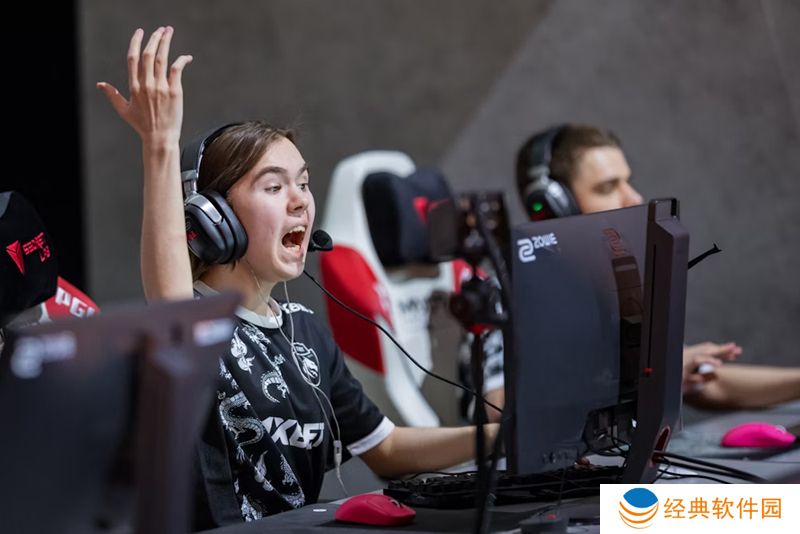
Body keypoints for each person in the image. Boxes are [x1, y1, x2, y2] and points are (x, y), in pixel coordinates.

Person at [98, 26, 498, 527]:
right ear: (213, 220)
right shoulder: (194, 322)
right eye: (273, 187)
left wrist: (500, 436)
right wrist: (159, 145)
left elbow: (387, 448)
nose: (300, 201)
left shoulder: (304, 329)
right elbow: (172, 305)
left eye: (304, 183)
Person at [513, 123, 800, 411]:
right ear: (554, 205)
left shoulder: (608, 291)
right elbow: (502, 410)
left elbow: (708, 383)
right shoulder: (513, 296)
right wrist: (652, 374)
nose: (634, 198)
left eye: (627, 182)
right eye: (607, 187)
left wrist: (669, 368)